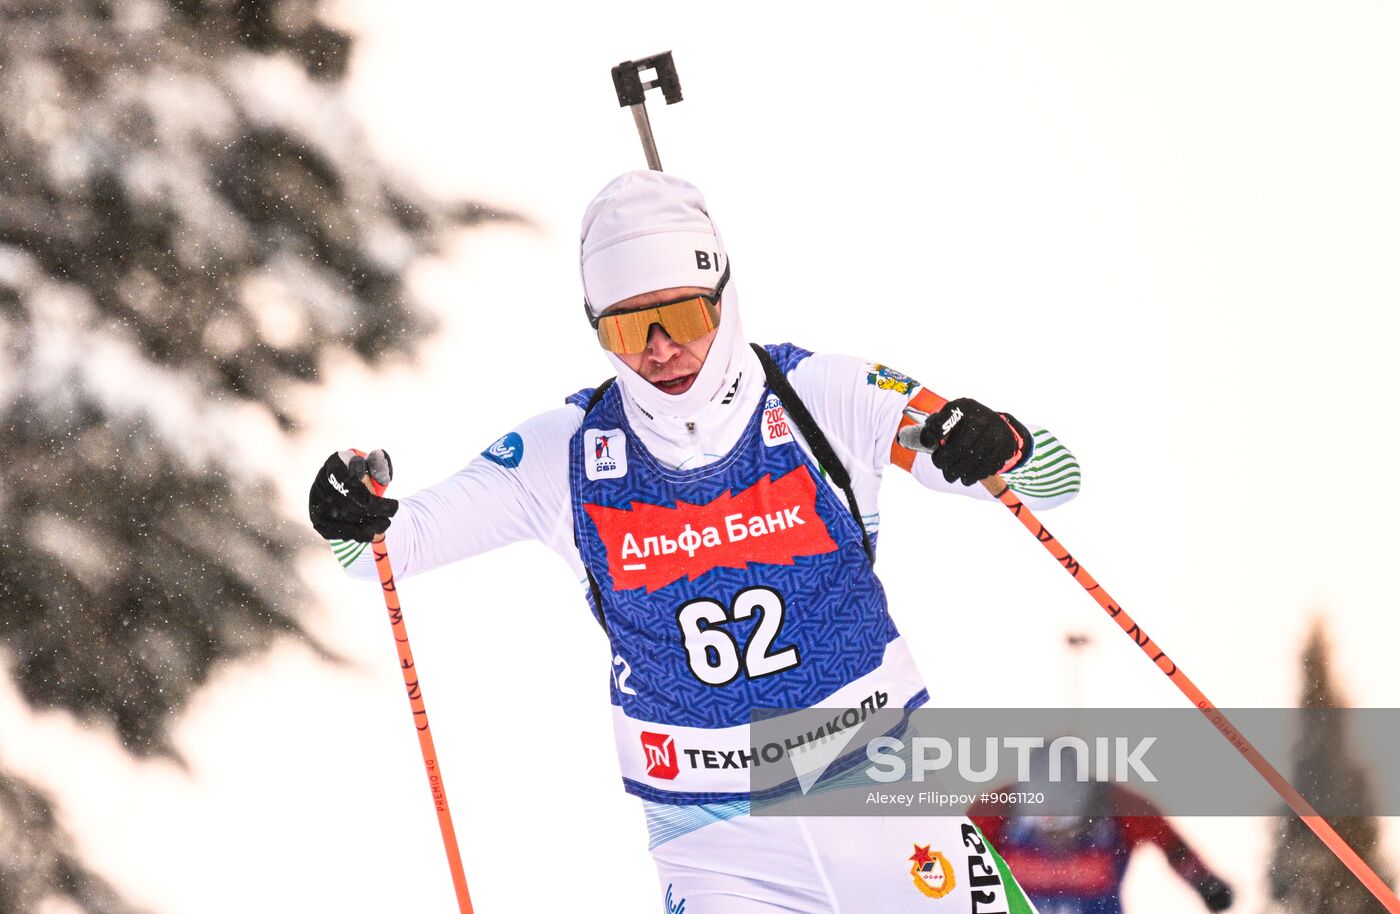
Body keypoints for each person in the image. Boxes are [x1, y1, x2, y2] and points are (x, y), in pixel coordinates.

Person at [308, 171, 1083, 912]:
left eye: (681, 318)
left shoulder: (823, 396)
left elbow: (1053, 478)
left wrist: (999, 441)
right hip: (715, 844)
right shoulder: (567, 452)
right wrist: (352, 512)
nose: (659, 349)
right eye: (626, 327)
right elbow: (388, 550)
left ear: (724, 296)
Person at [969, 779, 1234, 914]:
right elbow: (955, 858)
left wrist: (1204, 881)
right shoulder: (994, 813)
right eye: (1047, 833)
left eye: (1069, 831)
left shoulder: (1120, 807)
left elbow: (1171, 845)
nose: (1058, 841)